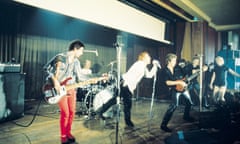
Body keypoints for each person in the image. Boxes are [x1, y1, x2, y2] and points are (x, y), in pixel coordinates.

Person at [44, 39, 90, 144]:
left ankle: (68, 132)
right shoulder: (60, 57)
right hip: (59, 89)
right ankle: (63, 136)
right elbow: (46, 68)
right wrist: (55, 81)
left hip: (71, 88)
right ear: (75, 49)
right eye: (81, 51)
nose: (82, 53)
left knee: (72, 112)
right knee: (65, 113)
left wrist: (96, 77)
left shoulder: (77, 62)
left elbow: (80, 77)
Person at [96, 51, 158, 128]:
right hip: (126, 84)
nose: (150, 58)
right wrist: (128, 87)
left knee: (115, 100)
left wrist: (155, 66)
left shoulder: (142, 65)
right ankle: (128, 122)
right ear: (144, 57)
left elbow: (149, 75)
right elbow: (130, 75)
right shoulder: (139, 64)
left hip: (125, 84)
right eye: (149, 57)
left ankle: (101, 111)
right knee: (127, 104)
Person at [160, 53, 194, 133]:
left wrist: (185, 81)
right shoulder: (164, 71)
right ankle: (163, 125)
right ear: (169, 61)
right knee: (173, 106)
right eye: (174, 60)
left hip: (182, 88)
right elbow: (167, 82)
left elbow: (184, 75)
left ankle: (186, 116)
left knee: (189, 103)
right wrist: (178, 82)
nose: (175, 62)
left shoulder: (177, 68)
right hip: (174, 90)